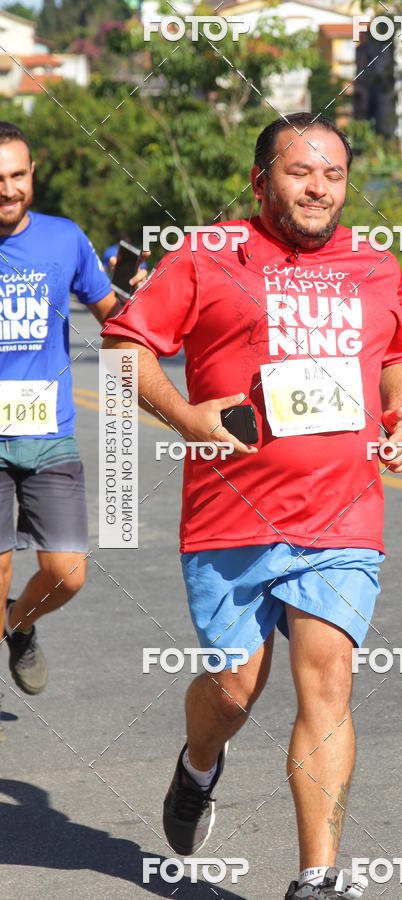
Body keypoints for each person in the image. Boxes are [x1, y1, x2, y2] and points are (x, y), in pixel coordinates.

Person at [102, 112, 402, 899]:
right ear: (260, 181)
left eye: (334, 175)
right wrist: (186, 417)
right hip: (230, 517)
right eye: (299, 172)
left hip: (341, 517)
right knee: (235, 689)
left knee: (330, 684)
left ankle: (316, 879)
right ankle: (197, 767)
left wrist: (400, 414)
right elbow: (124, 345)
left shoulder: (374, 265)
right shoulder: (208, 254)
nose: (319, 188)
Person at [0, 121, 146, 695]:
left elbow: (110, 309)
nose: (6, 188)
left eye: (16, 175)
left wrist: (145, 304)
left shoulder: (64, 238)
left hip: (48, 433)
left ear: (32, 175)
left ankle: (19, 624)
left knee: (68, 573)